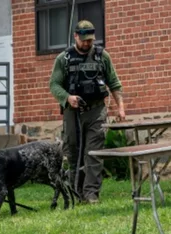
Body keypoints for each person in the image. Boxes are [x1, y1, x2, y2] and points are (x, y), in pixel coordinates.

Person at [49, 20, 125, 204]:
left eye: (90, 40)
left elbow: (114, 83)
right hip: (72, 113)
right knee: (73, 152)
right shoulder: (63, 59)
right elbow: (54, 85)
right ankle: (77, 192)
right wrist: (67, 97)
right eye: (83, 40)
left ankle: (91, 194)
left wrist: (121, 108)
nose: (86, 43)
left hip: (96, 111)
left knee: (94, 153)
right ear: (75, 36)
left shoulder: (102, 56)